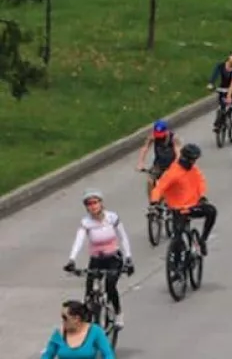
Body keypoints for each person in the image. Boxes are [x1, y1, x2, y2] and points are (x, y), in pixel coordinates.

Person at [64, 190, 133, 329]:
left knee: (110, 285)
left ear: (101, 203)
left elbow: (123, 237)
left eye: (95, 202)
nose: (93, 206)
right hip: (96, 259)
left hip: (113, 257)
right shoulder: (86, 223)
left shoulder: (112, 218)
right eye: (89, 204)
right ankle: (88, 322)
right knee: (89, 290)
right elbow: (79, 240)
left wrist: (128, 258)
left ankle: (118, 313)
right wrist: (71, 259)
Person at [150, 143, 217, 256]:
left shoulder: (193, 169)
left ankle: (202, 240)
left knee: (212, 211)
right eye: (192, 160)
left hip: (193, 206)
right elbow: (160, 187)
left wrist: (201, 196)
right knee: (178, 236)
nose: (194, 163)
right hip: (179, 209)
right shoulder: (173, 173)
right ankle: (176, 263)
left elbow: (200, 181)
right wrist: (154, 201)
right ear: (185, 159)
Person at [42, 300, 116, 359]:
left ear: (76, 318)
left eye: (65, 318)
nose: (62, 321)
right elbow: (47, 356)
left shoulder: (95, 331)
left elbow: (108, 354)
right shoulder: (59, 333)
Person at [134, 120, 180, 197]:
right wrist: (141, 162)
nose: (159, 137)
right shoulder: (152, 137)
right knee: (150, 180)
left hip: (171, 165)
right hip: (159, 164)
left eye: (161, 134)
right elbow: (145, 148)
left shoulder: (174, 138)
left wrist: (175, 166)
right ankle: (152, 202)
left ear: (166, 130)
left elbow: (178, 153)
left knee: (169, 184)